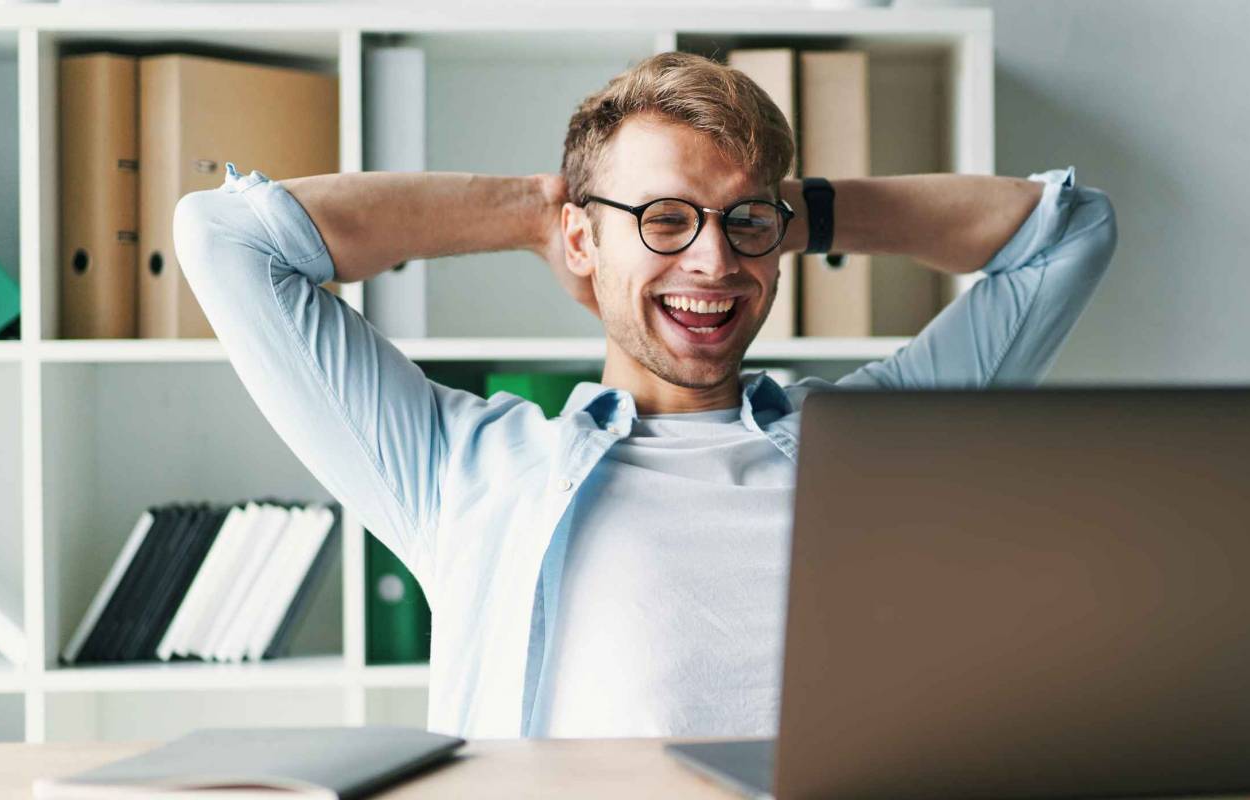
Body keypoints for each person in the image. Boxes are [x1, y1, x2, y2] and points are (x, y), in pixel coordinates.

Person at [173, 51, 1115, 740]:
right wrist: (535, 208)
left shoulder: (877, 441)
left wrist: (797, 211)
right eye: (664, 219)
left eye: (743, 222)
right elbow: (226, 238)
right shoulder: (462, 472)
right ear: (584, 243)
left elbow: (1071, 234)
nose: (713, 259)